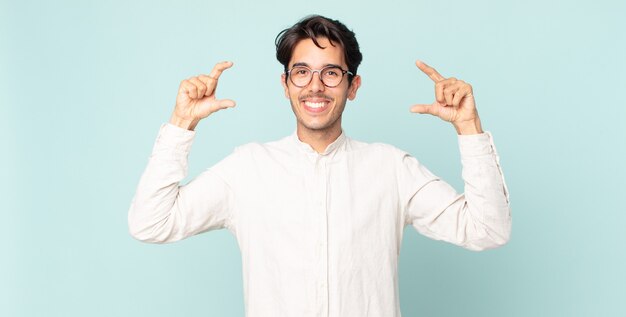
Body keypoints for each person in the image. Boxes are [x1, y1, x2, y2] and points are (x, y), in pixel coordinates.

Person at [128, 15, 511, 317]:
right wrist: (182, 124)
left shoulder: (391, 168)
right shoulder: (247, 169)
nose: (315, 86)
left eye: (331, 72)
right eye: (302, 72)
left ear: (353, 86)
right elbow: (151, 222)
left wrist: (469, 129)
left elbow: (487, 230)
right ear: (285, 83)